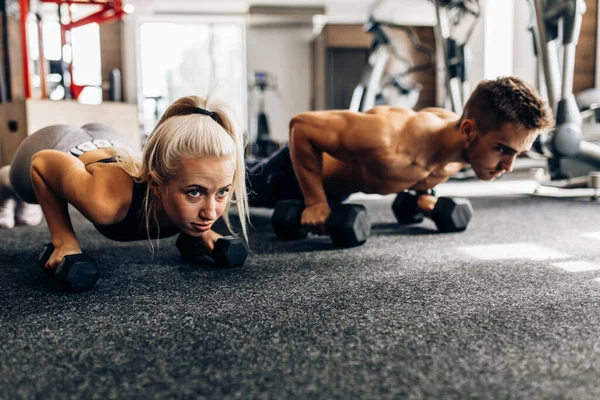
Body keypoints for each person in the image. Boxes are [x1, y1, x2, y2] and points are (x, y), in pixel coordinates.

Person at [247, 76, 554, 234]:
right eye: (503, 150)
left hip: (339, 194)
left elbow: (421, 170)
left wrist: (423, 196)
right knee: (231, 182)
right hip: (290, 176)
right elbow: (301, 127)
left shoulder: (460, 146)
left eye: (517, 154)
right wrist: (315, 201)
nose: (509, 167)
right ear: (469, 131)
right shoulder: (387, 137)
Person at [0, 95, 249, 270]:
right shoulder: (107, 203)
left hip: (108, 138)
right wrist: (65, 243)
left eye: (222, 192)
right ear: (155, 185)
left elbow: (198, 194)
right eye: (195, 193)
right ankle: (6, 186)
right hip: (57, 142)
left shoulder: (183, 189)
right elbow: (42, 163)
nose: (211, 212)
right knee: (24, 190)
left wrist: (204, 237)